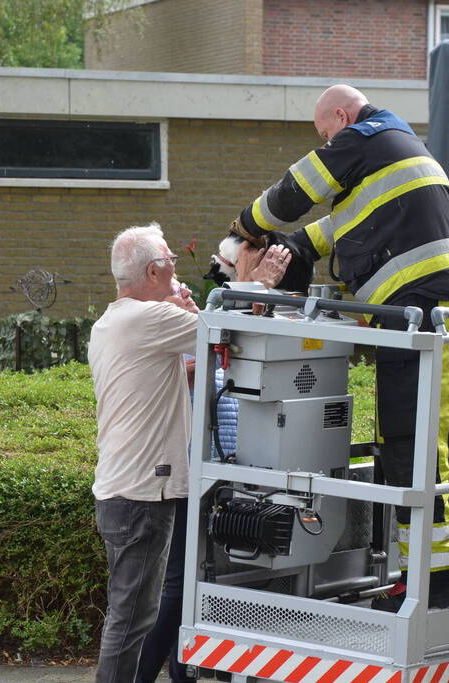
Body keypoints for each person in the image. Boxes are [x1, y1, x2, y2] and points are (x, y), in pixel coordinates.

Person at [230, 84, 449, 612]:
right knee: (410, 447)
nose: (325, 144)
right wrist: (271, 253)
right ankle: (429, 574)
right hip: (418, 320)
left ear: (340, 117)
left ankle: (435, 581)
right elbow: (321, 234)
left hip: (421, 319)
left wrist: (245, 227)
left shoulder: (368, 136)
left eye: (324, 133)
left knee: (414, 450)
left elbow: (295, 191)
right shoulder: (389, 162)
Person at [135, 250, 291, 683]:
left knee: (197, 581)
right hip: (182, 477)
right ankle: (140, 674)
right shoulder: (169, 345)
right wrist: (250, 282)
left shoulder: (193, 334)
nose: (187, 290)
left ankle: (180, 673)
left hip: (212, 475)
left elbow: (225, 334)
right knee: (177, 587)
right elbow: (210, 343)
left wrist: (248, 282)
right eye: (177, 289)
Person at [88, 223, 199, 682]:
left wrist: (181, 311)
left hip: (122, 493)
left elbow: (181, 374)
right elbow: (228, 331)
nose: (177, 266)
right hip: (141, 498)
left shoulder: (112, 321)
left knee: (133, 617)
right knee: (131, 621)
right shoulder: (150, 319)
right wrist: (259, 283)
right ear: (154, 269)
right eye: (172, 260)